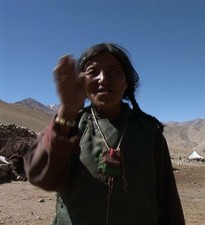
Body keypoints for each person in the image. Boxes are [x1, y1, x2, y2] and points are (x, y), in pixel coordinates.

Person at [23, 43, 185, 225]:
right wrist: (67, 111)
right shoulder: (70, 125)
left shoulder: (149, 132)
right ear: (81, 82)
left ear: (126, 83)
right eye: (93, 72)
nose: (103, 79)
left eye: (114, 71)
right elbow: (42, 177)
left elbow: (167, 199)